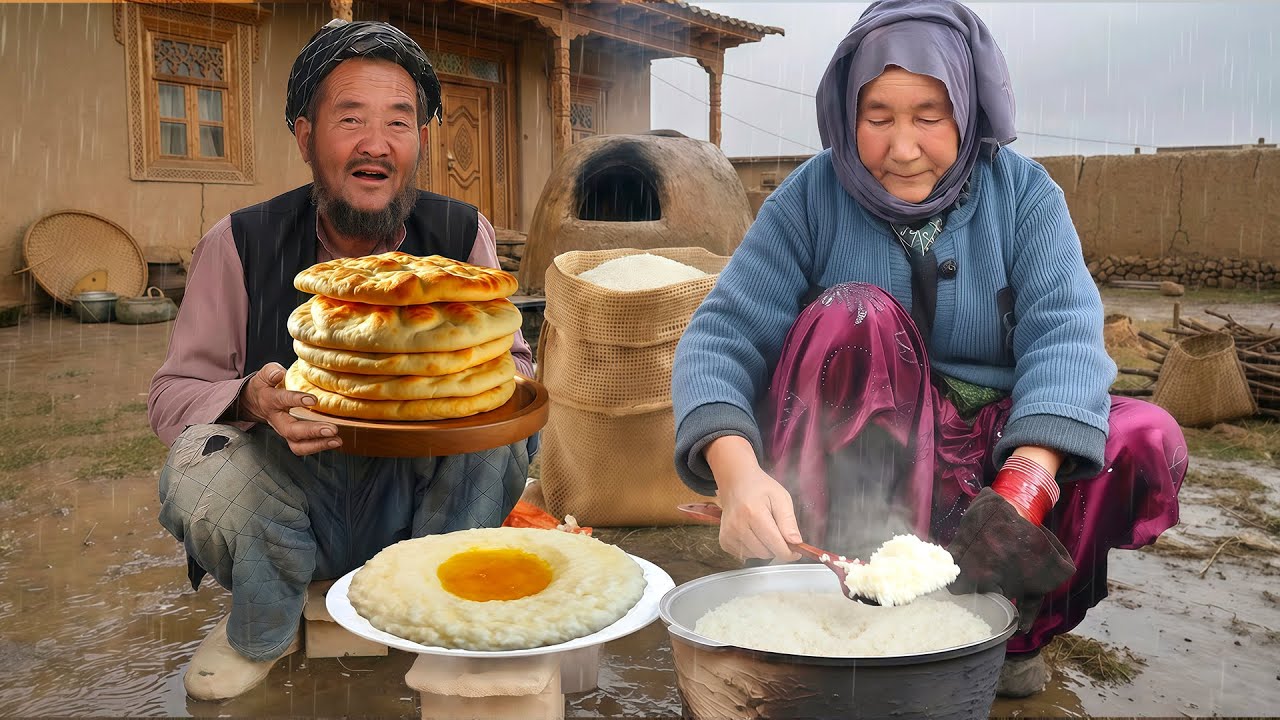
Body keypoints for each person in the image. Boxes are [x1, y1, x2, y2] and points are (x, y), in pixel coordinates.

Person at [671, 0, 1185, 698]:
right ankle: (844, 601)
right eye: (878, 117)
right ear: (847, 113)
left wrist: (1026, 482)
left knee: (1141, 436)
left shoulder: (1024, 196)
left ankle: (1010, 634)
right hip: (864, 458)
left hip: (991, 463)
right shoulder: (810, 199)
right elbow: (721, 337)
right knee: (855, 315)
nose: (903, 148)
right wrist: (736, 474)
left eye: (929, 117)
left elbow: (1064, 335)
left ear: (968, 111)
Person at [147, 20, 535, 702]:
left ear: (420, 140)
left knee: (503, 430)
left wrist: (448, 391)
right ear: (305, 136)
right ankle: (262, 627)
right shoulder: (240, 242)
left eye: (398, 122)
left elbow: (515, 368)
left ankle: (433, 608)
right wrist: (250, 397)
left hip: (423, 501)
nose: (375, 144)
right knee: (195, 461)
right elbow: (173, 394)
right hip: (287, 504)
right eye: (350, 118)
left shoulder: (459, 236)